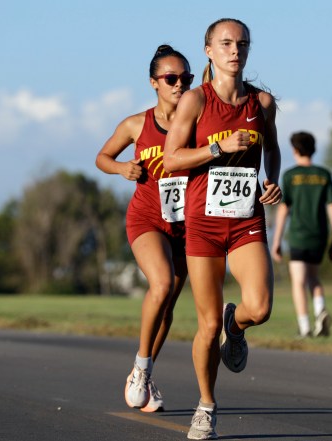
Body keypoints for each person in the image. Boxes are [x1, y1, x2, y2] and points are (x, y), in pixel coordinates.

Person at [163, 18, 281, 440]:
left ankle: (239, 325)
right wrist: (218, 147)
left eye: (242, 44)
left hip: (246, 217)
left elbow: (272, 150)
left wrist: (272, 181)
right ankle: (206, 406)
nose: (236, 51)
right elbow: (171, 159)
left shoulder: (260, 103)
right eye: (226, 43)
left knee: (261, 308)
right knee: (206, 325)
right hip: (204, 223)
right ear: (208, 50)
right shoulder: (195, 101)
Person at [95, 45, 194, 412]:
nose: (179, 84)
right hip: (148, 219)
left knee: (168, 306)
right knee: (162, 283)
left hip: (187, 226)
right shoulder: (137, 124)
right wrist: (123, 168)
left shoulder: (198, 123)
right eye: (171, 78)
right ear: (154, 83)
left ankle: (146, 373)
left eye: (186, 78)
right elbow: (102, 157)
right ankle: (139, 368)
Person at [270, 131, 332, 338]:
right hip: (319, 235)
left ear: (294, 150)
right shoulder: (323, 174)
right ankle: (320, 310)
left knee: (298, 281)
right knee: (314, 277)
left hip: (299, 236)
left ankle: (304, 327)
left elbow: (284, 210)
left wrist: (276, 240)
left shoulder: (290, 176)